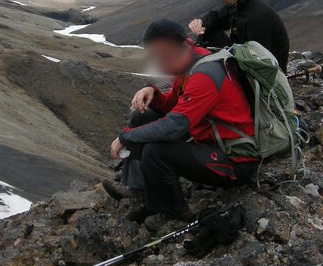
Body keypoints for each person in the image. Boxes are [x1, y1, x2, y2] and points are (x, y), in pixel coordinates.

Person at [109, 19, 257, 221]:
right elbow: (173, 106)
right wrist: (152, 92)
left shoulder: (204, 74)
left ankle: (175, 213)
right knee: (141, 117)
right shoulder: (189, 63)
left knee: (156, 152)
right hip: (209, 141)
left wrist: (125, 137)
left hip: (235, 160)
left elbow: (174, 127)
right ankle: (139, 189)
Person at [189, 0, 289, 71]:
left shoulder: (257, 17)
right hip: (244, 58)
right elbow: (217, 18)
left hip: (261, 77)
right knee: (206, 32)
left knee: (207, 41)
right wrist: (201, 23)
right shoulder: (241, 3)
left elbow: (262, 66)